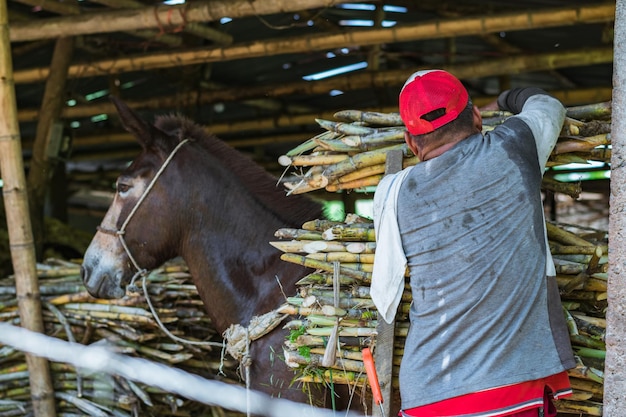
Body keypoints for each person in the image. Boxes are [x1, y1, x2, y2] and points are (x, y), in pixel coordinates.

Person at [370, 69, 576, 417]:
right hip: (511, 389)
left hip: (427, 397)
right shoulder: (514, 145)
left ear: (410, 142)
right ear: (477, 117)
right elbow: (546, 104)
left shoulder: (391, 192)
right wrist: (507, 98)